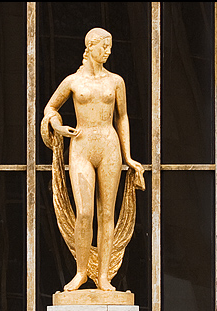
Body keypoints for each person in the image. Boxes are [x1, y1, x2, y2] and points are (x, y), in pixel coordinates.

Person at [41, 27, 145, 292]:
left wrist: (128, 156)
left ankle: (103, 278)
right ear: (90, 47)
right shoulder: (73, 81)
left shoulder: (116, 81)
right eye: (104, 47)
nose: (108, 51)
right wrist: (57, 125)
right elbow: (51, 106)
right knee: (85, 213)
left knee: (106, 213)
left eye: (110, 47)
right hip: (82, 145)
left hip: (109, 146)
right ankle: (81, 272)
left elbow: (122, 117)